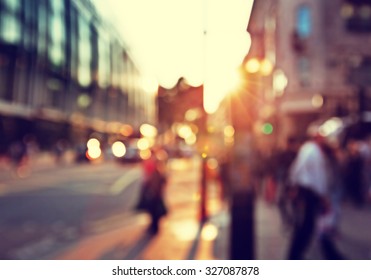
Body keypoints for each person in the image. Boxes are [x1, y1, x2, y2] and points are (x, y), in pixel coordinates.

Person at [286, 130, 344, 260]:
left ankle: (296, 255)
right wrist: (323, 196)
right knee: (307, 225)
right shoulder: (312, 151)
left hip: (308, 192)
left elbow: (297, 169)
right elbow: (316, 176)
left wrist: (293, 184)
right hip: (309, 192)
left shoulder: (310, 150)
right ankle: (295, 256)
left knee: (308, 225)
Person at [137, 149, 168, 234]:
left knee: (154, 210)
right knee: (153, 210)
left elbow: (152, 177)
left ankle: (154, 227)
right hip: (155, 191)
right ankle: (153, 226)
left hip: (154, 192)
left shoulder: (154, 163)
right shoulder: (156, 162)